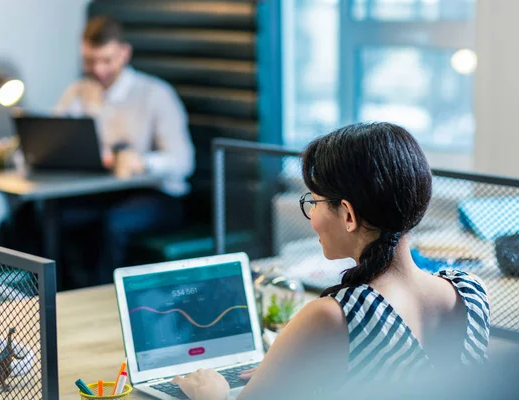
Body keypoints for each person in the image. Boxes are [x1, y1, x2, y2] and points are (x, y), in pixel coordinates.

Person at [171, 122, 490, 399]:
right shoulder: (471, 292)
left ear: (348, 215)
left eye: (314, 201)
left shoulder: (333, 316)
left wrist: (212, 393)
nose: (312, 215)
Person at [53, 16, 195, 286]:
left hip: (160, 196)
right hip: (104, 192)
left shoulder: (155, 93)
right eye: (90, 61)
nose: (98, 69)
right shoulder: (79, 91)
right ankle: (61, 295)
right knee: (45, 216)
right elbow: (56, 135)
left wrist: (142, 162)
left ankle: (99, 300)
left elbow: (183, 161)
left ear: (124, 54)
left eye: (106, 60)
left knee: (114, 223)